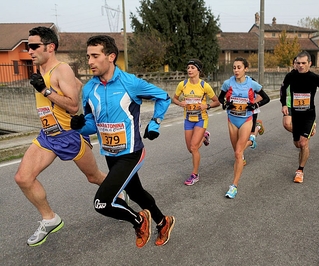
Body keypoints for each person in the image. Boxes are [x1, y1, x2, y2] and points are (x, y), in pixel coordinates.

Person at [70, 35, 175, 248]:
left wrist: (155, 123)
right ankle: (164, 222)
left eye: (95, 56)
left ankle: (139, 220)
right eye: (88, 56)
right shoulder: (89, 88)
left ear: (110, 57)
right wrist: (80, 125)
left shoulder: (130, 83)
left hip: (131, 153)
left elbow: (163, 97)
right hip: (110, 153)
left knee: (102, 203)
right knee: (136, 192)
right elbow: (93, 124)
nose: (89, 61)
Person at [14, 26, 107, 247]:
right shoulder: (43, 72)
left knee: (93, 177)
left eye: (35, 46)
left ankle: (119, 191)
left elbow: (73, 106)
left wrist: (45, 90)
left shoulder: (61, 69)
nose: (30, 50)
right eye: (29, 46)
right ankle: (50, 219)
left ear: (50, 47)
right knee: (23, 178)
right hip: (47, 136)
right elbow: (78, 86)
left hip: (69, 136)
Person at [218, 57, 270, 198]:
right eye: (234, 67)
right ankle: (252, 139)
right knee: (236, 151)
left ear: (245, 69)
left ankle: (233, 186)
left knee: (238, 154)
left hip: (246, 120)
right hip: (232, 120)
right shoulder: (228, 83)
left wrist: (254, 105)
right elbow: (220, 99)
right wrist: (225, 104)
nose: (236, 70)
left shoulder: (252, 84)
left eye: (239, 67)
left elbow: (266, 98)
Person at [279, 51, 319, 183]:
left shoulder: (314, 77)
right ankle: (306, 133)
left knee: (303, 143)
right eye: (298, 63)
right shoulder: (290, 76)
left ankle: (300, 170)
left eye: (303, 63)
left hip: (308, 114)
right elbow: (283, 91)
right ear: (295, 63)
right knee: (297, 144)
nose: (300, 65)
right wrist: (284, 104)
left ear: (309, 63)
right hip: (295, 114)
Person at [172, 59, 220, 185]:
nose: (189, 70)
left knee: (194, 147)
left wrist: (207, 106)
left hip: (201, 119)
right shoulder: (183, 84)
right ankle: (204, 138)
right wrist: (180, 103)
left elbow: (217, 102)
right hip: (188, 119)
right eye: (188, 67)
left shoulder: (204, 86)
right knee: (190, 149)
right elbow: (174, 99)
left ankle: (195, 174)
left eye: (192, 67)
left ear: (198, 70)